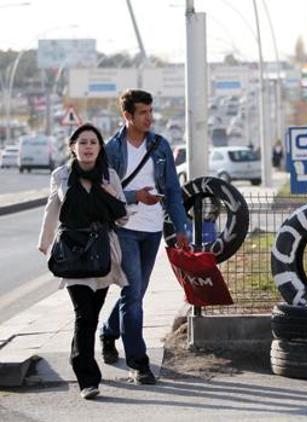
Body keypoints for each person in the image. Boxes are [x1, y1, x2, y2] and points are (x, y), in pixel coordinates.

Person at [100, 89, 189, 385]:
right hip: (124, 227)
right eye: (142, 113)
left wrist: (180, 228)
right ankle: (139, 363)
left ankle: (108, 331)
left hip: (152, 231)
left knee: (134, 293)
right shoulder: (112, 149)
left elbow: (174, 191)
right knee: (133, 295)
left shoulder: (160, 145)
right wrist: (134, 196)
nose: (149, 117)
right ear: (127, 116)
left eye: (151, 111)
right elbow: (105, 192)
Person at [37, 123, 128, 400]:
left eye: (93, 142)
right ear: (73, 147)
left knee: (91, 316)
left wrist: (108, 192)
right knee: (83, 314)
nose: (88, 146)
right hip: (73, 252)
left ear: (100, 148)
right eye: (83, 142)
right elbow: (52, 208)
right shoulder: (61, 175)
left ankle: (80, 356)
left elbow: (122, 216)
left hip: (101, 252)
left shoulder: (109, 175)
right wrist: (45, 244)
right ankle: (87, 378)